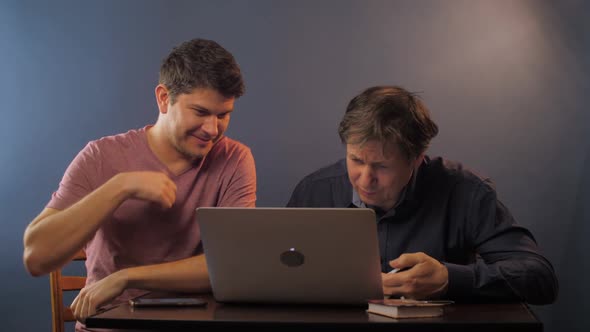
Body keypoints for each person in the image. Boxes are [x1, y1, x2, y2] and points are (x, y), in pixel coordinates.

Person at [23, 38, 257, 327]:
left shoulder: (235, 159)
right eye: (200, 112)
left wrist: (126, 277)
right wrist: (120, 187)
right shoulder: (100, 156)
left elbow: (231, 265)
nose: (212, 129)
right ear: (163, 98)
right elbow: (37, 257)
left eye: (223, 115)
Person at [287, 86, 558, 304]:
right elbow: (279, 271)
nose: (365, 178)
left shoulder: (467, 192)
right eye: (355, 160)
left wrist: (450, 279)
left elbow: (540, 278)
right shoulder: (314, 190)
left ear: (416, 159)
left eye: (382, 166)